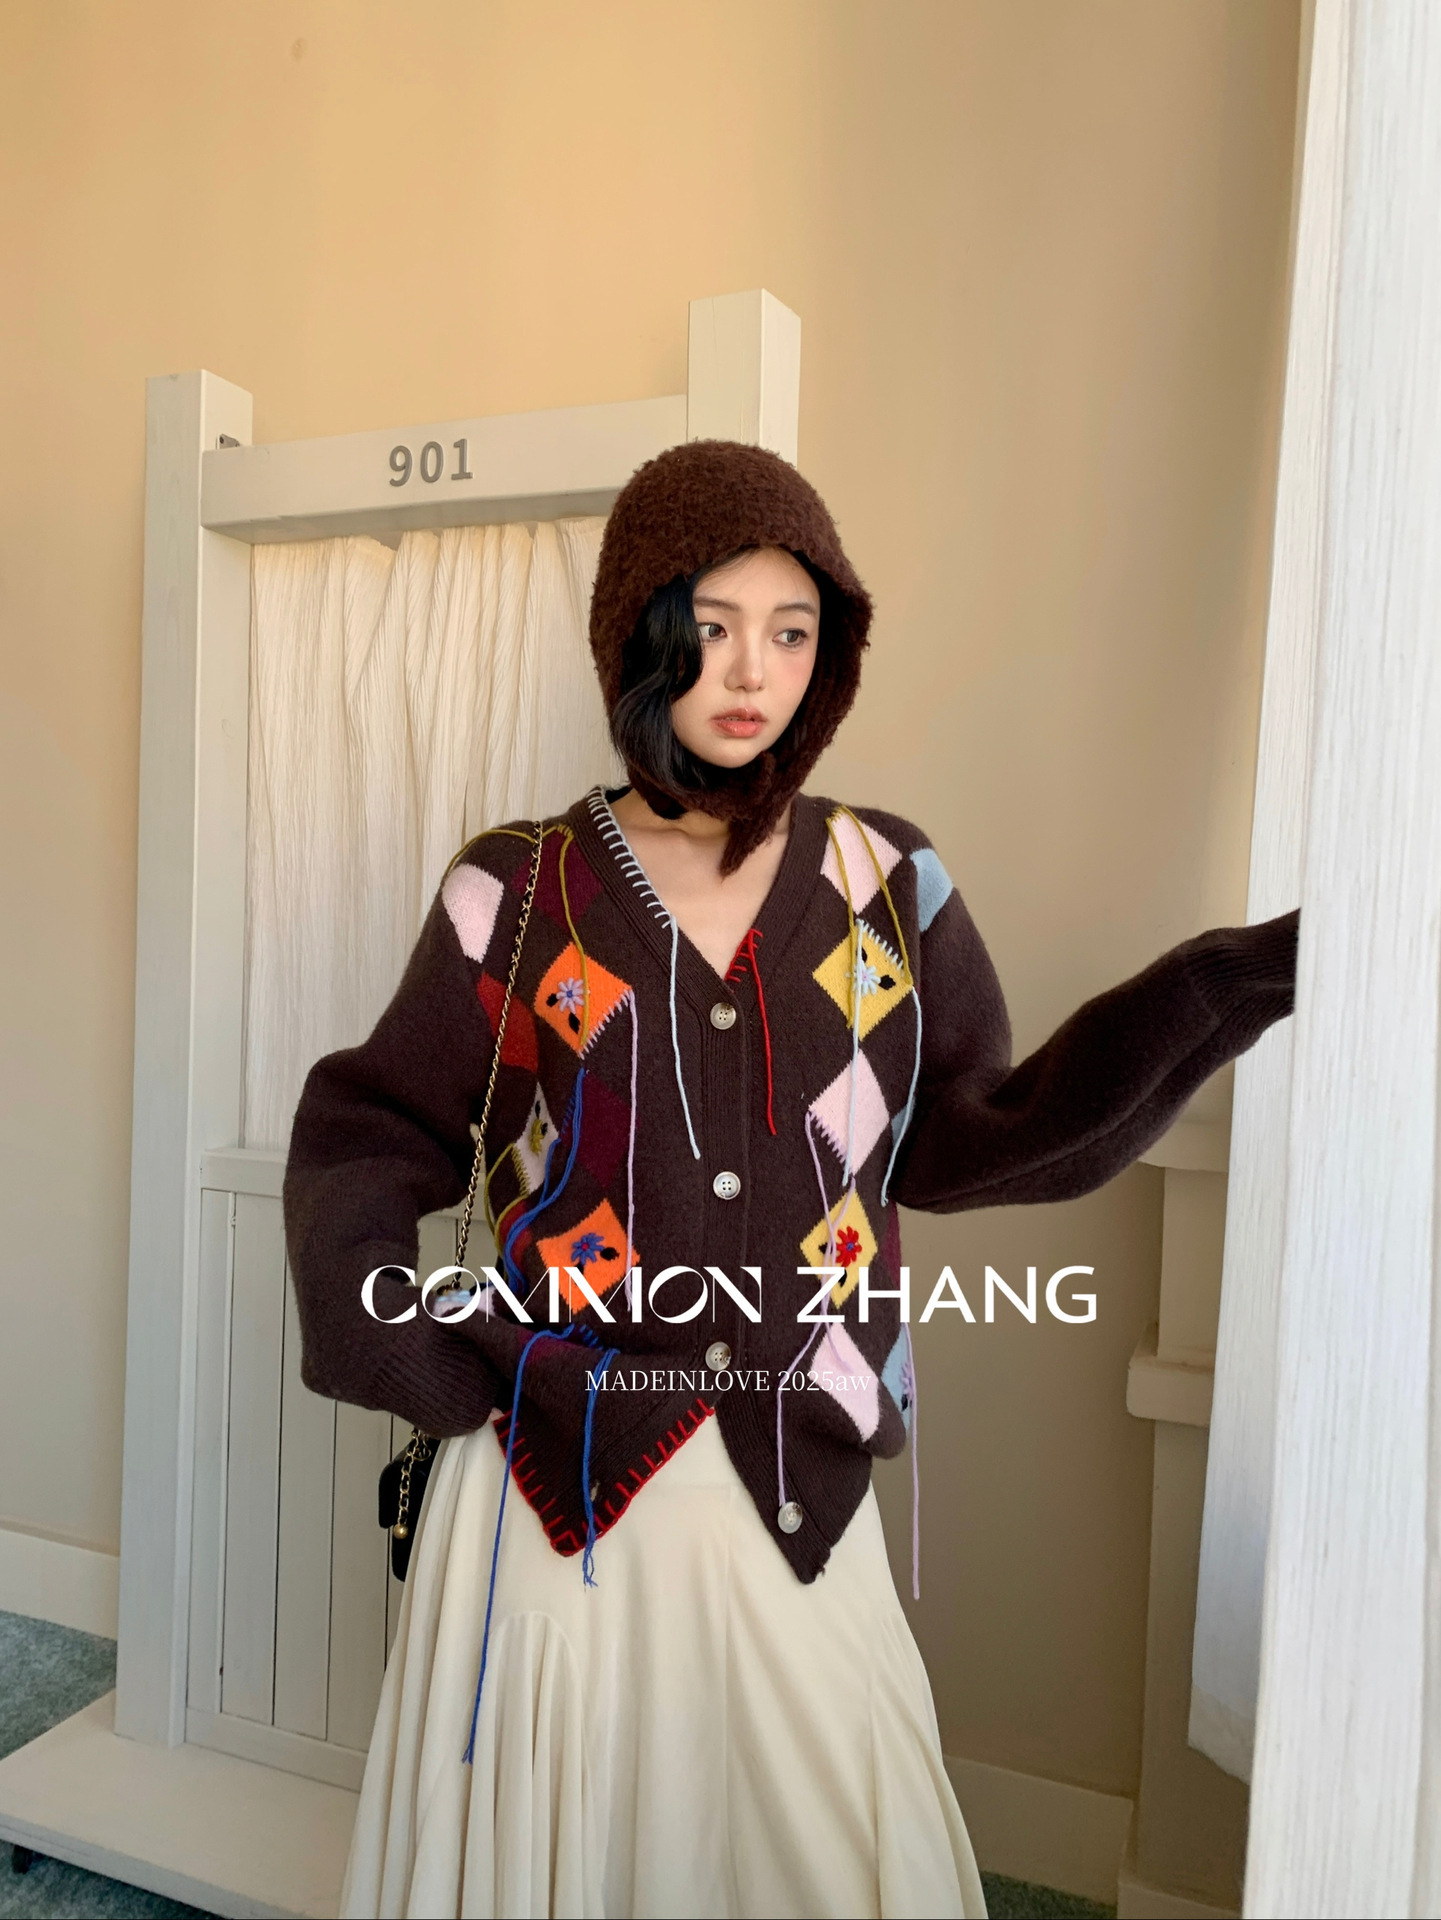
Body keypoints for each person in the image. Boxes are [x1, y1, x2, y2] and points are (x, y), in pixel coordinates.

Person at [282, 439, 1299, 1920]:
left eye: (792, 629)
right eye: (710, 625)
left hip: (793, 1475)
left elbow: (971, 1131)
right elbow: (371, 1128)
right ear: (638, 634)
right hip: (553, 1481)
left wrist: (1226, 984)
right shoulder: (518, 889)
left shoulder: (886, 884)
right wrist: (411, 1349)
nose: (752, 670)